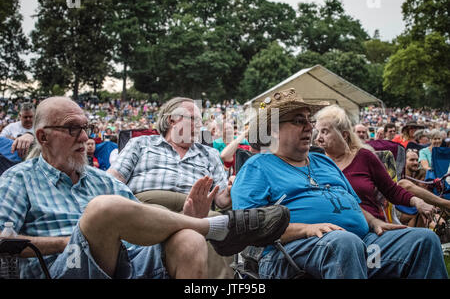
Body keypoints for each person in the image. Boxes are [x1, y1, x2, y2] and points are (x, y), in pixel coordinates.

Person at [0, 96, 289, 279]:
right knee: (103, 208)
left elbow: (134, 220)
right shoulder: (19, 178)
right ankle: (219, 227)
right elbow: (3, 241)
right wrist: (71, 243)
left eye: (86, 127)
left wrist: (196, 213)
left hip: (150, 236)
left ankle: (204, 225)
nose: (84, 137)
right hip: (62, 268)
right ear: (43, 136)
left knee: (188, 238)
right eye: (73, 128)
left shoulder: (101, 182)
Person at [231, 89, 447, 279]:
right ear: (274, 129)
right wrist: (305, 229)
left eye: (310, 120)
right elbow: (249, 227)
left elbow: (350, 201)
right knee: (344, 244)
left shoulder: (323, 160)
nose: (309, 127)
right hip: (289, 255)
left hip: (362, 245)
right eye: (299, 121)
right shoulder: (258, 166)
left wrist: (373, 222)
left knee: (423, 240)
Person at [107, 97, 234, 278]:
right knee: (189, 226)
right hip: (147, 206)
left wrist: (229, 192)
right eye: (194, 119)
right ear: (171, 120)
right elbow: (113, 181)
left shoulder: (210, 154)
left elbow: (221, 199)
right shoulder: (141, 144)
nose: (200, 125)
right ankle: (187, 221)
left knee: (225, 228)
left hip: (199, 209)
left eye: (200, 121)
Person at [315, 105, 450, 228]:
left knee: (426, 238)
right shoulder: (316, 164)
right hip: (333, 231)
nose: (318, 138)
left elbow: (391, 190)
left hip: (372, 229)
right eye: (318, 132)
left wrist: (417, 201)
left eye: (325, 132)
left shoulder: (364, 157)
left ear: (344, 135)